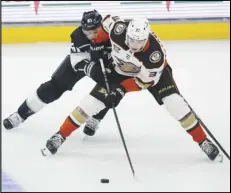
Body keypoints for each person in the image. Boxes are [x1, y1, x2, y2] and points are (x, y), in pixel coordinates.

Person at [41, 15, 223, 162]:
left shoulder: (154, 57)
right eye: (131, 40)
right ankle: (60, 135)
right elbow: (104, 26)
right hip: (120, 69)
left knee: (176, 105)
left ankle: (203, 141)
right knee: (90, 104)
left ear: (146, 39)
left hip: (153, 77)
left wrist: (120, 89)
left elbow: (143, 83)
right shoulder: (119, 29)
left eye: (138, 43)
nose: (133, 46)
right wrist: (96, 45)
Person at [3, 10, 111, 133]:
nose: (92, 35)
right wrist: (90, 68)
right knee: (53, 88)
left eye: (95, 32)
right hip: (84, 62)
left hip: (105, 62)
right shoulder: (78, 36)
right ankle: (20, 114)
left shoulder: (111, 33)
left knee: (110, 88)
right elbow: (77, 62)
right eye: (88, 32)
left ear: (102, 27)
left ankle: (96, 117)